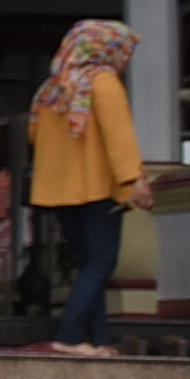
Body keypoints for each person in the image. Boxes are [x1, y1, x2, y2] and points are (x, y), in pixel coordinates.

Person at [28, 18, 152, 358]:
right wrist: (134, 179)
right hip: (97, 190)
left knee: (88, 266)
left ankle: (99, 341)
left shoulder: (51, 89)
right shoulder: (103, 83)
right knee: (101, 264)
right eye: (124, 52)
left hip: (61, 193)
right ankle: (68, 336)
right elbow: (119, 136)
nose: (125, 60)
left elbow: (34, 135)